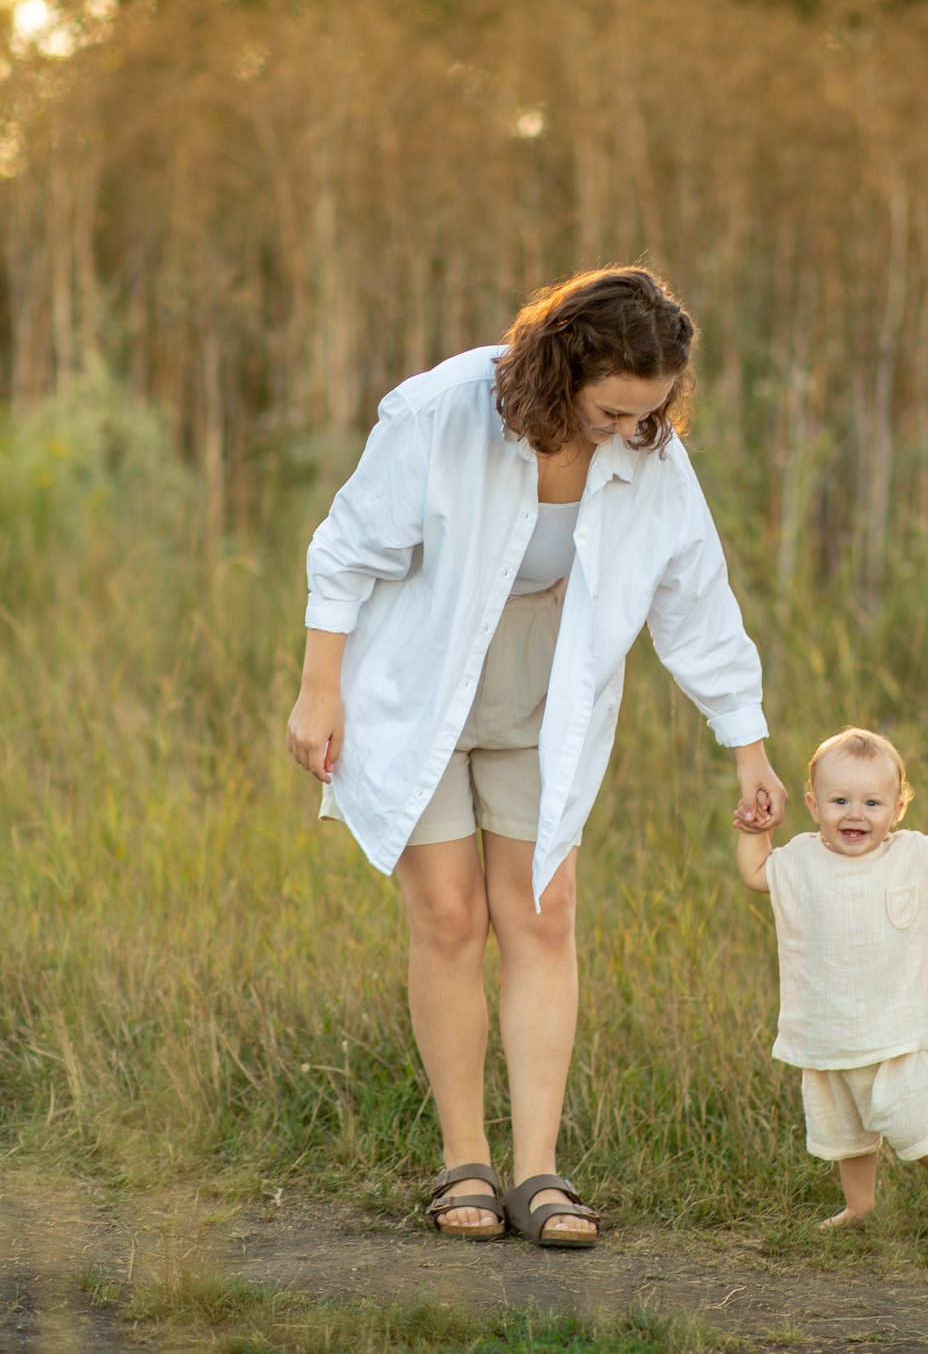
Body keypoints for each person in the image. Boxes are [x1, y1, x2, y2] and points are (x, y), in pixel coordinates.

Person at [287, 265, 787, 1249]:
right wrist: (319, 688)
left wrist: (750, 750)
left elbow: (695, 598)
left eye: (648, 414)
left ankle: (537, 1172)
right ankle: (464, 1161)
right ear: (564, 371)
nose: (629, 431)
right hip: (421, 683)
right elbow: (346, 550)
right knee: (448, 917)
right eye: (611, 412)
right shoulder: (442, 411)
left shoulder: (648, 450)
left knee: (543, 914)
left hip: (547, 691)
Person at [735, 728, 928, 1232]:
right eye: (839, 800)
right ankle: (860, 1206)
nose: (855, 814)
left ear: (898, 809)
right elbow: (754, 873)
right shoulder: (800, 861)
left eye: (872, 803)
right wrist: (756, 828)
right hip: (828, 1031)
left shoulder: (908, 855)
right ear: (814, 805)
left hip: (896, 1030)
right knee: (846, 1131)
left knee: (911, 1117)